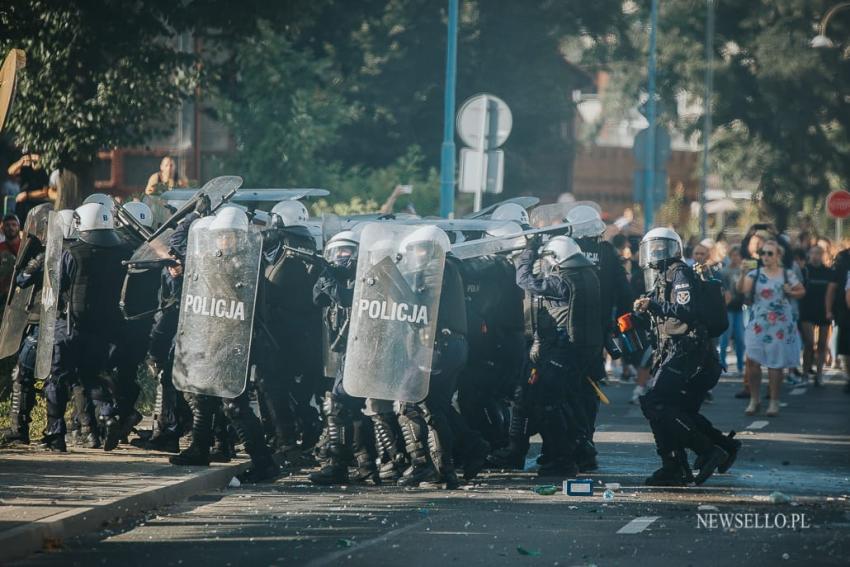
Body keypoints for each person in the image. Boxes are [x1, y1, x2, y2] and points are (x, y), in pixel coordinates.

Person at [634, 228, 736, 486]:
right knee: (673, 409)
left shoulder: (679, 272)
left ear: (673, 248)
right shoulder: (660, 276)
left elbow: (686, 311)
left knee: (656, 403)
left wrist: (653, 305)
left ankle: (708, 450)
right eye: (652, 247)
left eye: (661, 247)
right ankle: (679, 464)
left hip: (687, 350)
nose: (656, 252)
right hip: (674, 350)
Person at [42, 203, 134, 452]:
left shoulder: (73, 253)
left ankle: (55, 435)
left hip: (71, 326)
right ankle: (107, 415)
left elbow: (56, 284)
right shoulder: (123, 250)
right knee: (92, 376)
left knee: (58, 379)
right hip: (103, 330)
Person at [515, 234, 602, 476]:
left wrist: (527, 252)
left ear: (556, 258)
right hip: (582, 352)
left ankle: (562, 458)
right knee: (570, 403)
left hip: (563, 351)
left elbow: (523, 279)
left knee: (547, 404)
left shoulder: (561, 281)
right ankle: (580, 452)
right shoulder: (588, 275)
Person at [564, 204, 632, 471]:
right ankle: (586, 444)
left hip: (565, 331)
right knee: (589, 388)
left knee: (564, 389)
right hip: (596, 335)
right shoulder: (607, 252)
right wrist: (618, 324)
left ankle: (568, 445)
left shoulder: (565, 250)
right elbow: (625, 293)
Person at [738, 239, 805, 417]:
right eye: (763, 253)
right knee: (752, 360)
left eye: (769, 253)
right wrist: (742, 273)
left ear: (778, 256)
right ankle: (754, 399)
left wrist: (790, 291)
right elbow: (742, 290)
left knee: (776, 363)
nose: (765, 257)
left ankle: (774, 401)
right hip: (759, 322)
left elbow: (801, 291)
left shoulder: (787, 274)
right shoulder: (755, 273)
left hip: (780, 323)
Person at [799, 245, 832, 386]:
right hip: (807, 310)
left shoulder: (829, 271)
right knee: (809, 343)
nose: (815, 256)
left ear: (823, 254)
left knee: (822, 344)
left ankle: (819, 374)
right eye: (813, 253)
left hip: (823, 311)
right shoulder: (804, 270)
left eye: (818, 253)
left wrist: (830, 310)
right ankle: (805, 374)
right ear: (809, 254)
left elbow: (833, 292)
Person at [718, 245, 746, 375]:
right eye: (734, 255)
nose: (736, 258)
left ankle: (740, 365)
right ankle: (722, 365)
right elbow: (723, 290)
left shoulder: (743, 271)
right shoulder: (724, 272)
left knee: (740, 339)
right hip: (727, 309)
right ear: (730, 256)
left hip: (739, 308)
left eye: (738, 255)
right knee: (725, 339)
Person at [7, 153, 50, 221]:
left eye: (36, 155)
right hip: (22, 204)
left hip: (37, 205)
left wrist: (27, 195)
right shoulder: (26, 168)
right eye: (33, 155)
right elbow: (10, 172)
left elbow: (44, 192)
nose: (34, 157)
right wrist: (21, 161)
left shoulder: (46, 171)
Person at [0, 214, 22, 298]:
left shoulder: (26, 246)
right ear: (2, 228)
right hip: (3, 295)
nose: (11, 228)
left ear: (19, 227)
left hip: (20, 294)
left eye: (14, 224)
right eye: (7, 225)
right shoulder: (1, 248)